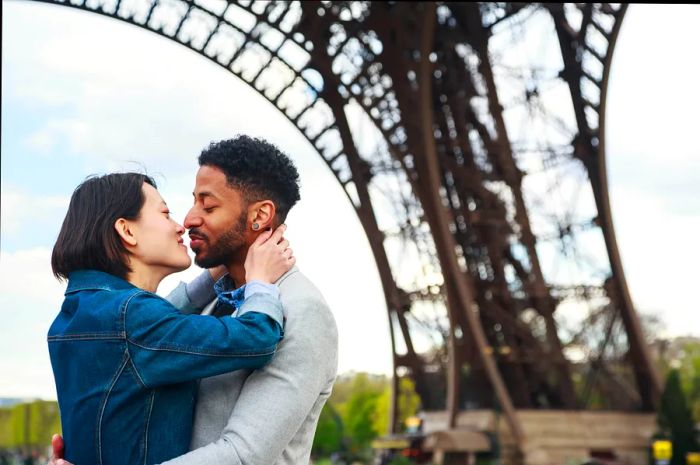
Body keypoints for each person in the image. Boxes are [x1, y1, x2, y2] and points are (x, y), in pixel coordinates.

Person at [50, 136, 338, 465]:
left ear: (260, 215)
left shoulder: (302, 310)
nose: (187, 220)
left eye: (208, 205)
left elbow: (243, 455)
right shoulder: (211, 304)